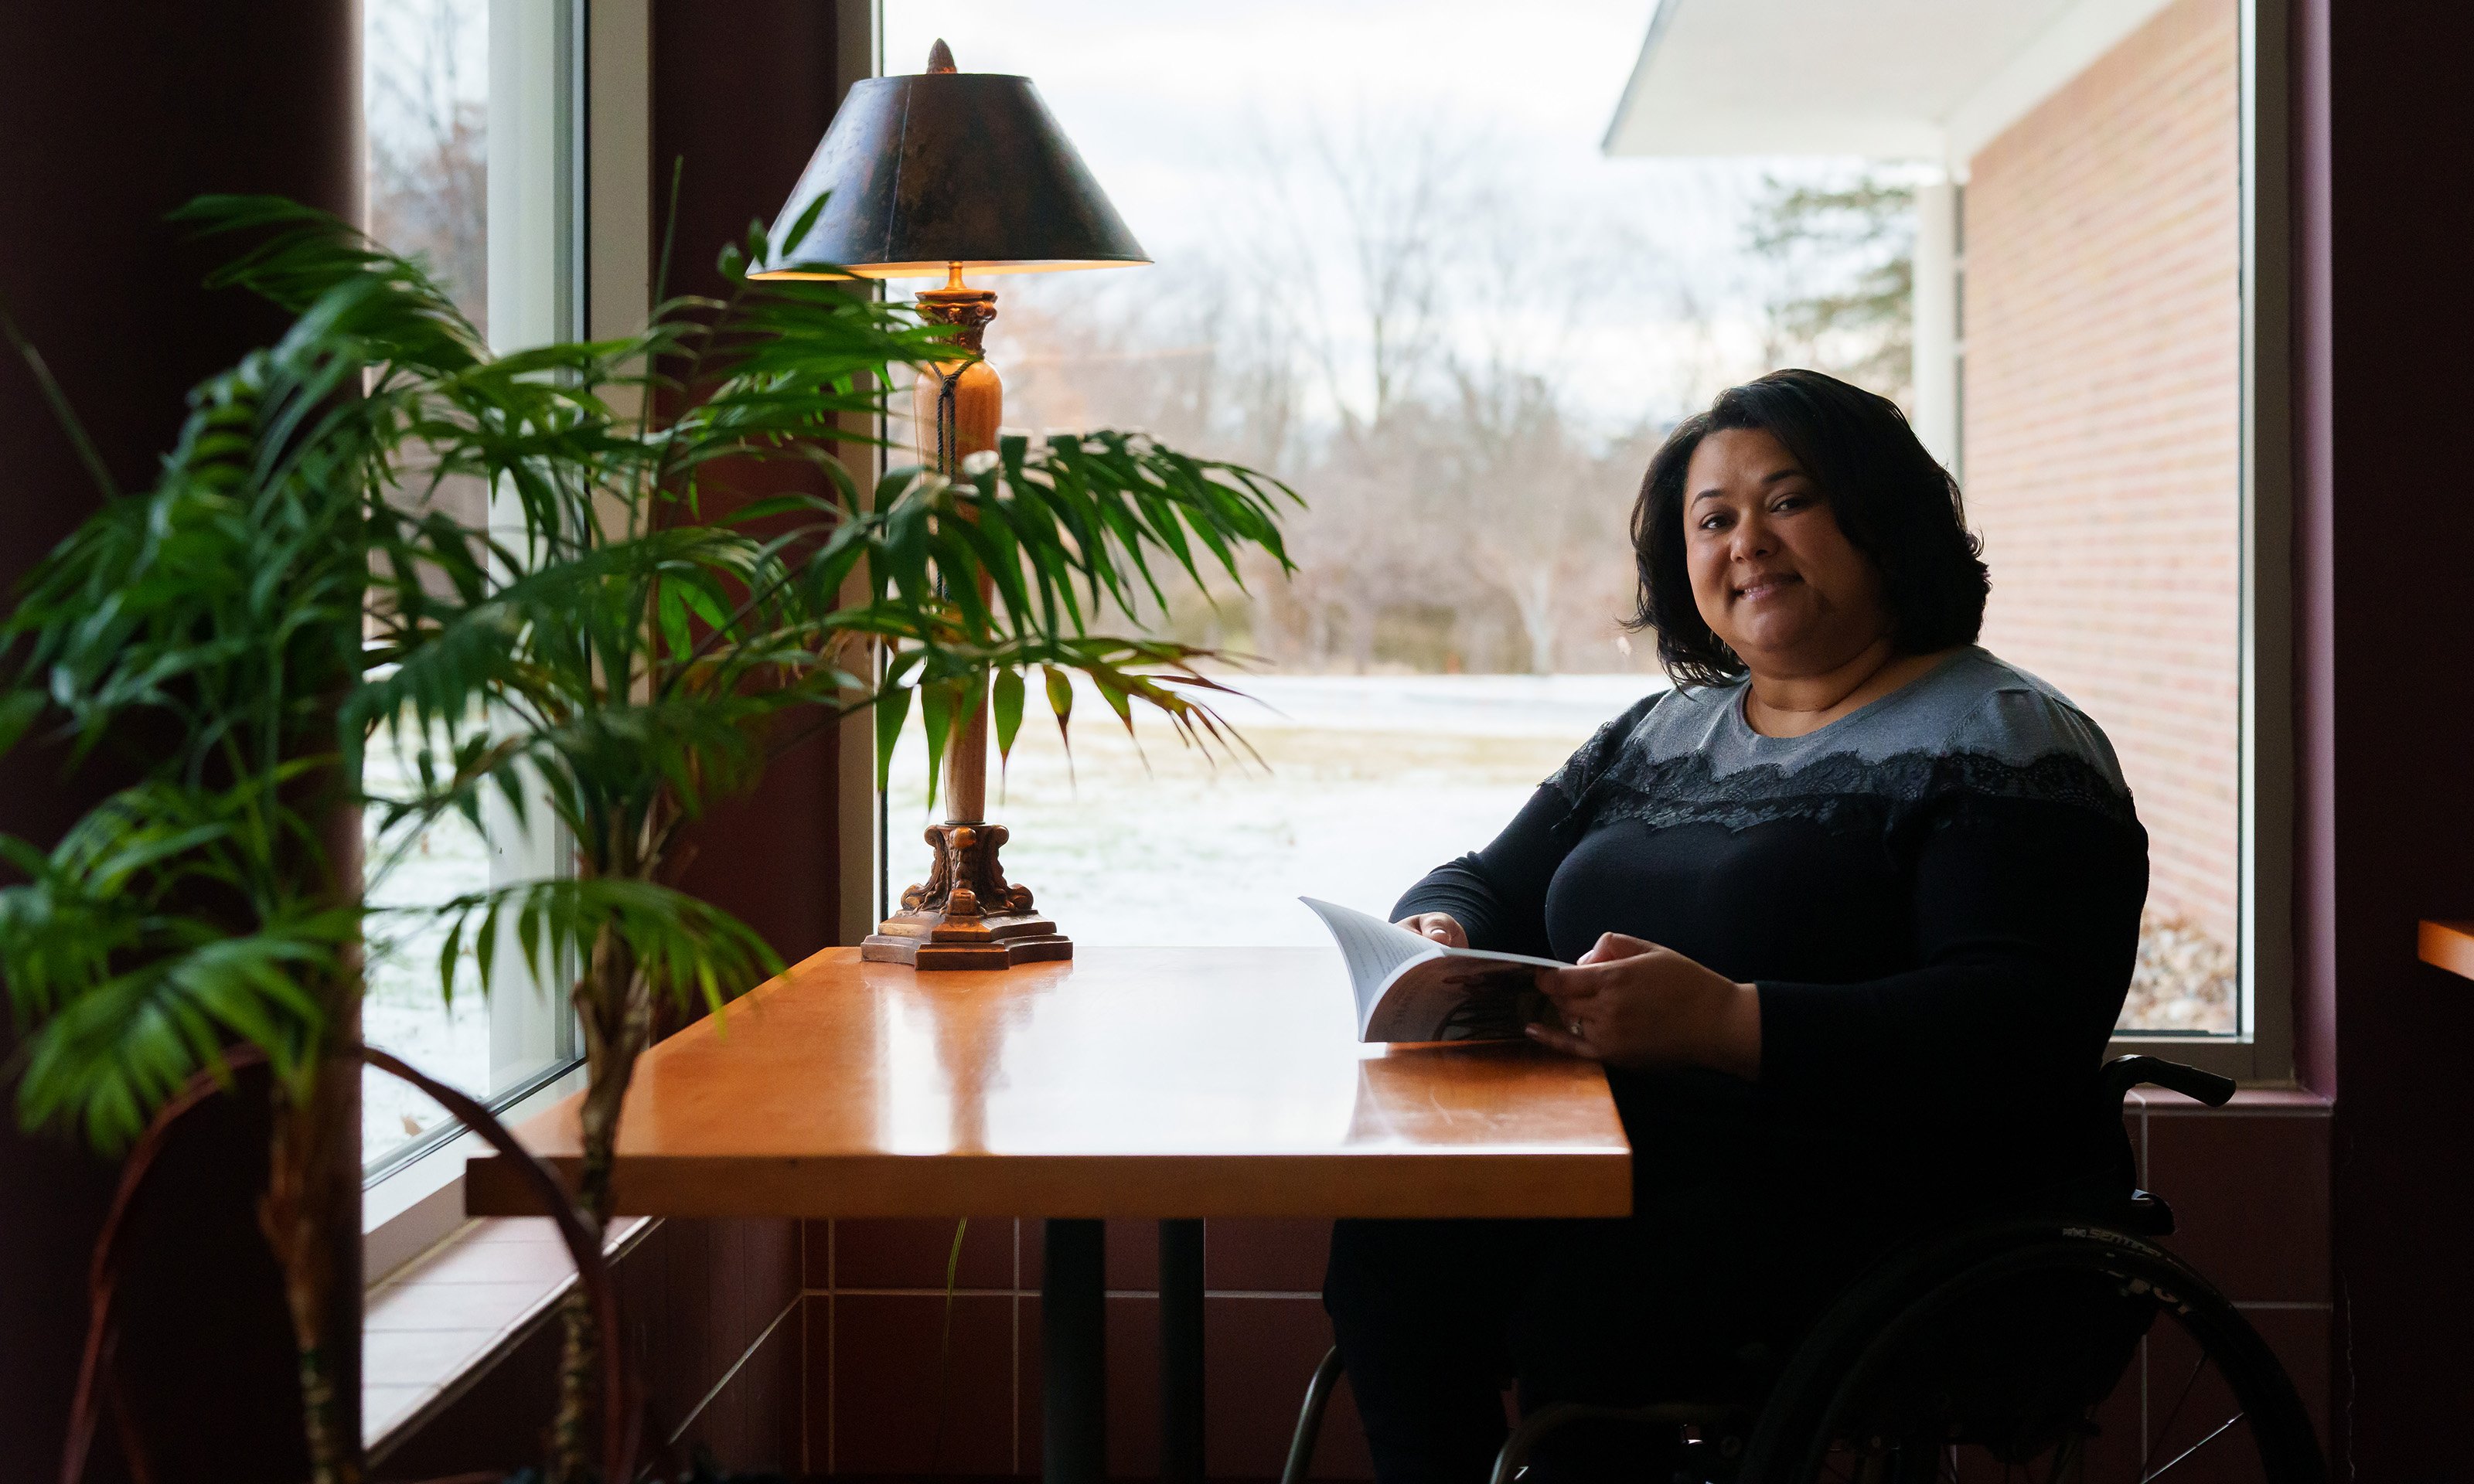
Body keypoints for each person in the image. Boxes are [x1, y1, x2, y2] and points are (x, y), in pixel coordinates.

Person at [1322, 369, 2149, 1482]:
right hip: (1619, 1164)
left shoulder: (2002, 737)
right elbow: (1486, 879)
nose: (1745, 540)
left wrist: (1728, 1024)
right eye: (1713, 520)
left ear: (1882, 518)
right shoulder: (1661, 733)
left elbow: (2017, 1025)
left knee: (1591, 1309)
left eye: (1788, 500)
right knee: (1389, 1244)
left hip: (1876, 1202)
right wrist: (1442, 928)